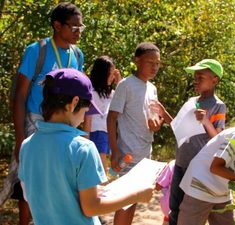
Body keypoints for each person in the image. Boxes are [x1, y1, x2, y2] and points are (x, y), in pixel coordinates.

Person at [18, 68, 154, 225]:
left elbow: (32, 195)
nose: (84, 118)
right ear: (74, 103)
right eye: (86, 110)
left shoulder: (27, 146)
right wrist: (136, 195)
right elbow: (91, 208)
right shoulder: (83, 148)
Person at [1, 3, 85, 225]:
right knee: (28, 178)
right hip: (35, 124)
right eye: (74, 27)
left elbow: (79, 94)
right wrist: (20, 139)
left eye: (81, 27)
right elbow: (19, 96)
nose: (79, 31)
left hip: (65, 126)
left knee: (60, 177)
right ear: (57, 26)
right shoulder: (37, 50)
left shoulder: (78, 54)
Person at [107, 42, 173, 225]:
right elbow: (111, 118)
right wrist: (114, 149)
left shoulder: (152, 88)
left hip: (146, 154)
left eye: (158, 63)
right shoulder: (126, 85)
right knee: (123, 203)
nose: (154, 67)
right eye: (150, 62)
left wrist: (156, 124)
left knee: (133, 201)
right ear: (137, 61)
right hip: (127, 153)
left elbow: (155, 119)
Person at [169, 59, 227, 225]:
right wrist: (164, 113)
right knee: (174, 208)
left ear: (214, 79)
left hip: (196, 167)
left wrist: (206, 121)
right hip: (181, 162)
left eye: (200, 77)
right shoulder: (192, 101)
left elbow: (218, 139)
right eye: (195, 77)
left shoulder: (218, 106)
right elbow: (178, 127)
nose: (196, 80)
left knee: (190, 212)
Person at [84, 56, 121, 174]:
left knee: (104, 165)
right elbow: (88, 118)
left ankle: (103, 182)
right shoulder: (92, 93)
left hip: (108, 133)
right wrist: (86, 139)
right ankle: (103, 184)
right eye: (110, 74)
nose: (112, 77)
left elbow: (123, 100)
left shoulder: (111, 93)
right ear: (102, 74)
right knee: (100, 166)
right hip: (97, 131)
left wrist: (119, 81)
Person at [155, 159, 175, 225]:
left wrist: (161, 174)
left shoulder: (173, 163)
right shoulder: (199, 165)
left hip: (170, 208)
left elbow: (158, 186)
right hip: (191, 210)